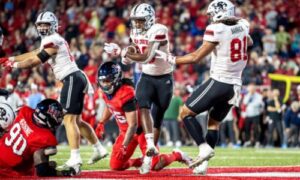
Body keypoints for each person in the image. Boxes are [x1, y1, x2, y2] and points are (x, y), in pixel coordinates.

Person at [155, 0, 253, 175]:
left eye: (211, 14)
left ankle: (203, 147)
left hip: (220, 81)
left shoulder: (217, 30)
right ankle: (203, 165)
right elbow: (249, 42)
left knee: (185, 113)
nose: (210, 19)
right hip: (235, 85)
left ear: (219, 12)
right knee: (213, 124)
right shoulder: (243, 25)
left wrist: (172, 59)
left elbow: (195, 57)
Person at [0, 11, 107, 168]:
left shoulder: (53, 40)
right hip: (75, 77)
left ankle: (75, 158)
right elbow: (34, 52)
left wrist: (12, 65)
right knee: (77, 121)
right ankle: (99, 148)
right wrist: (11, 58)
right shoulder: (50, 40)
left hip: (71, 78)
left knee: (68, 119)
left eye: (46, 24)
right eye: (41, 24)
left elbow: (34, 61)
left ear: (54, 26)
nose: (43, 27)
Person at [104, 3, 174, 174]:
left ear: (150, 19)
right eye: (136, 21)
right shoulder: (135, 31)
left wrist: (122, 52)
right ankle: (150, 146)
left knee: (157, 117)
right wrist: (126, 53)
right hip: (147, 76)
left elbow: (147, 56)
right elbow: (135, 49)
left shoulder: (159, 29)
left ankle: (162, 154)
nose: (138, 24)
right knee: (142, 104)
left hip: (164, 77)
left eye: (141, 20)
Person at [95, 62, 191, 173]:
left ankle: (177, 155)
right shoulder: (107, 91)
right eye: (102, 81)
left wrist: (124, 146)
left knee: (156, 165)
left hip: (141, 132)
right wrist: (102, 122)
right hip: (125, 133)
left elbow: (133, 125)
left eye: (107, 80)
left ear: (116, 79)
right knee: (116, 165)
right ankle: (140, 161)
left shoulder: (126, 93)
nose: (104, 84)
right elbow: (110, 105)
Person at [0, 99, 79, 177]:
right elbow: (42, 171)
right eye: (58, 116)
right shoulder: (46, 137)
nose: (59, 118)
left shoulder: (25, 111)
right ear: (47, 118)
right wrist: (63, 173)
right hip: (7, 169)